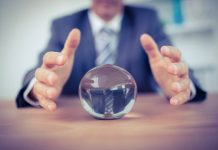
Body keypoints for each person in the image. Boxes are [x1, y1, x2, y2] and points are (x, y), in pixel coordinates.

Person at [16, 0, 206, 111]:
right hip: (76, 126)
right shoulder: (63, 24)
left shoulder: (147, 19)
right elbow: (41, 69)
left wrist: (178, 85)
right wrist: (39, 86)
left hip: (138, 125)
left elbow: (176, 65)